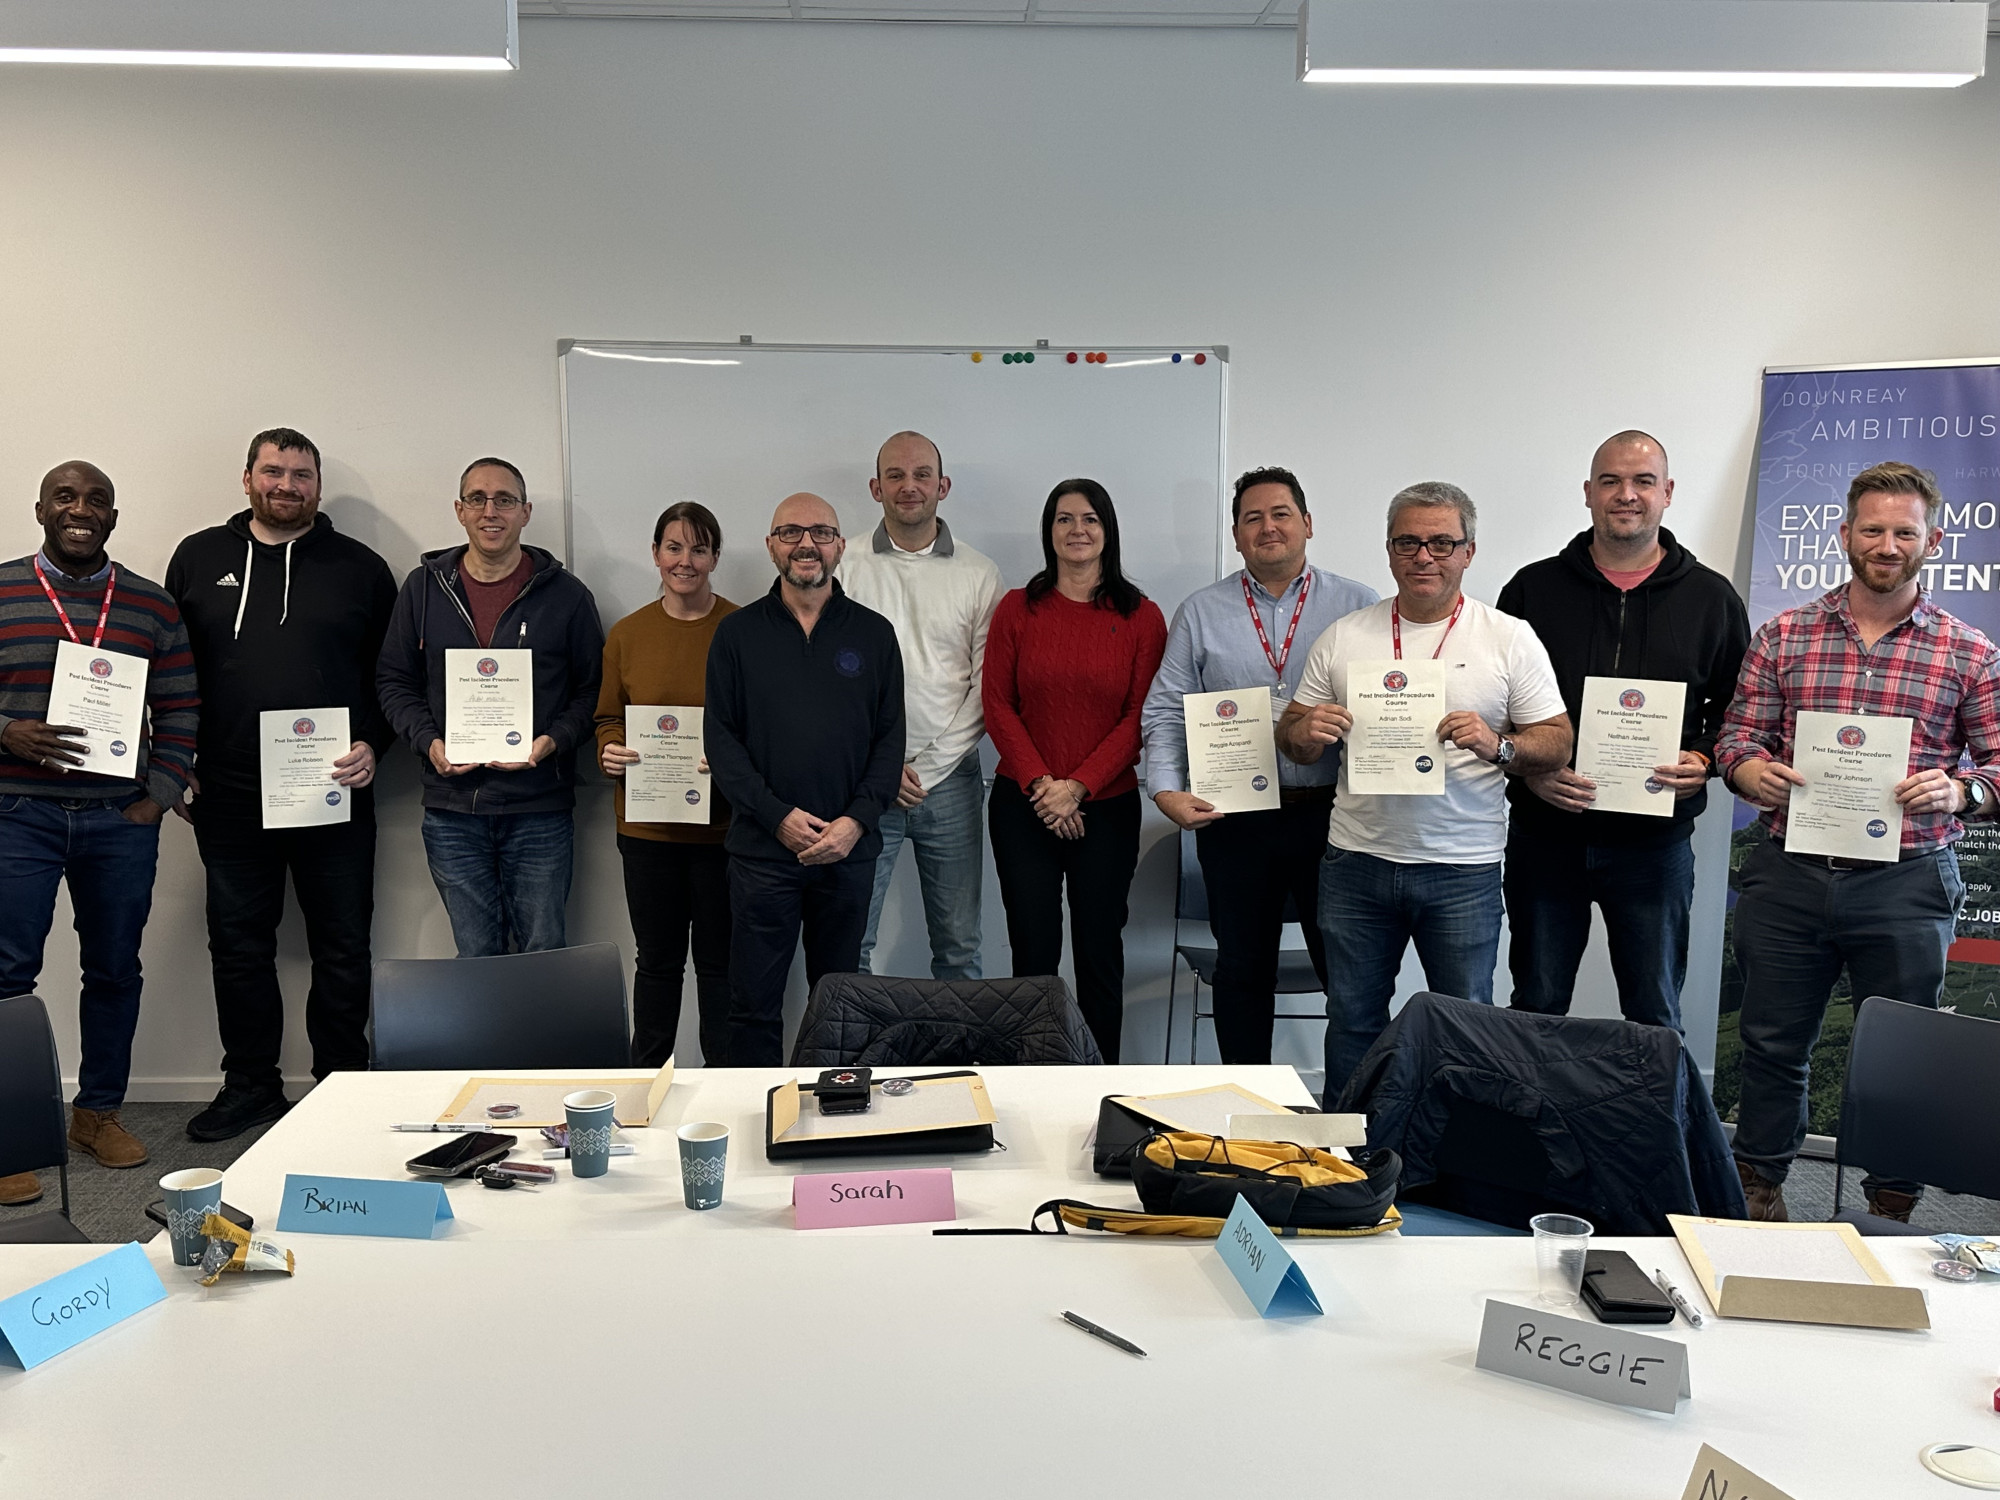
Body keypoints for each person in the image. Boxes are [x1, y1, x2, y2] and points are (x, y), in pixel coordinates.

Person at [1717, 461, 2000, 1223]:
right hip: (1791, 874)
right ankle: (1760, 1187)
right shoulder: (1783, 635)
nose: (1886, 543)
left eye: (1904, 531)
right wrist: (1749, 771)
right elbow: (1738, 737)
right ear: (1844, 535)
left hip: (1906, 880)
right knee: (1774, 1044)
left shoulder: (1968, 651)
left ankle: (1891, 1205)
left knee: (1902, 1060)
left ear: (1932, 541)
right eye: (1871, 528)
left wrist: (1963, 789)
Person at [1278, 481, 1570, 1102]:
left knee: (1466, 1029)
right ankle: (1349, 1157)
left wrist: (1500, 745)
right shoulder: (1344, 635)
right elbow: (1292, 737)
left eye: (1442, 542)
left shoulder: (1507, 637)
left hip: (1461, 869)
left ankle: (1457, 1159)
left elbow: (1557, 740)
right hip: (1357, 863)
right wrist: (1309, 731)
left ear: (1468, 551)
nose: (1424, 556)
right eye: (1408, 542)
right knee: (1353, 1023)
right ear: (1388, 550)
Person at [165, 428, 399, 1142]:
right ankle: (251, 1086)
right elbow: (168, 668)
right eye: (274, 471)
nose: (287, 485)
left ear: (318, 487)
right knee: (238, 947)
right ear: (247, 479)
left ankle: (341, 1083)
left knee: (343, 945)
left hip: (333, 789)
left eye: (301, 474)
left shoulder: (361, 568)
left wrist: (375, 746)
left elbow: (392, 679)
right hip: (229, 795)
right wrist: (174, 758)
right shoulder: (198, 557)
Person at [1495, 431, 1749, 1032]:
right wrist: (1530, 769)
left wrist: (1705, 759)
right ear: (1588, 493)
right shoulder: (1532, 590)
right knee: (1536, 1004)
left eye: (1642, 482)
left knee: (1655, 1012)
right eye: (1610, 481)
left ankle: (1655, 1129)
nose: (1625, 495)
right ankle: (1529, 1126)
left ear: (1667, 493)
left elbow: (1742, 711)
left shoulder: (1712, 599)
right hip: (1546, 835)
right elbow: (1495, 704)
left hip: (1653, 847)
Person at [0, 461, 197, 1200]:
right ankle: (9, 1132)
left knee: (114, 968)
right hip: (17, 815)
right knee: (7, 978)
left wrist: (162, 791)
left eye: (97, 499)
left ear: (113, 515)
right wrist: (6, 733)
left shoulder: (150, 603)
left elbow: (181, 703)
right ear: (41, 508)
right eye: (66, 497)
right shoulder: (3, 588)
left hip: (120, 818)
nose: (81, 509)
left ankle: (99, 1111)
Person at [1141, 466, 1378, 1064]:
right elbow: (1166, 709)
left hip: (1335, 819)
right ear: (1236, 533)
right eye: (1252, 518)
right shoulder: (1200, 611)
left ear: (1307, 524)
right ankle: (1248, 1117)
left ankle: (1354, 1113)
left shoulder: (1359, 605)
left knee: (1347, 974)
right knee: (1242, 970)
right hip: (1237, 819)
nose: (1267, 527)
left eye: (1280, 514)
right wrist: (1166, 790)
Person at [704, 493, 903, 1066]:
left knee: (840, 1006)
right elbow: (721, 740)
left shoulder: (874, 634)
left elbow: (890, 742)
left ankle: (831, 1127)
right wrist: (777, 817)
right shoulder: (737, 634)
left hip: (847, 853)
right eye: (790, 532)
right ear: (771, 546)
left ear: (840, 546)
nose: (805, 544)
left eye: (820, 532)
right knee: (753, 1006)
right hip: (763, 854)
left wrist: (855, 823)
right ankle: (751, 1130)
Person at [376, 457, 604, 956]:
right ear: (459, 511)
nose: (490, 510)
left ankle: (543, 1040)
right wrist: (429, 742)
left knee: (544, 953)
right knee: (476, 958)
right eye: (477, 499)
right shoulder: (423, 590)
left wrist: (552, 742)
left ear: (525, 511)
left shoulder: (566, 596)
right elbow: (394, 681)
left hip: (539, 809)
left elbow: (593, 693)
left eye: (504, 499)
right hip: (453, 810)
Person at [983, 478, 1167, 1063]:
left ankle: (1097, 1083)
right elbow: (997, 704)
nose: (1077, 530)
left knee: (1098, 952)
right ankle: (1031, 1080)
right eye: (1064, 519)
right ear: (1049, 532)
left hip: (1106, 808)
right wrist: (1045, 787)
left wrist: (1078, 787)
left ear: (1108, 531)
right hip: (1023, 805)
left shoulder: (1142, 616)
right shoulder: (1017, 608)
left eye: (1090, 519)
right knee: (1032, 953)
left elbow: (1142, 715)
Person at [838, 431, 1003, 981]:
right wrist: (881, 768)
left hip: (951, 781)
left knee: (958, 949)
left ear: (943, 485)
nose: (909, 486)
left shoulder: (980, 574)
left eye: (922, 475)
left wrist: (927, 768)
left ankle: (961, 1065)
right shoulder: (843, 563)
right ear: (875, 487)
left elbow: (986, 686)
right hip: (861, 779)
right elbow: (822, 682)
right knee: (851, 943)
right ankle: (850, 1066)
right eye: (895, 476)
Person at [595, 502, 738, 1068]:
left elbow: (758, 723)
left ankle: (724, 1083)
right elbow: (608, 716)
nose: (686, 561)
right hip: (647, 829)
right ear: (655, 554)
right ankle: (647, 1084)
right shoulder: (627, 635)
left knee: (721, 966)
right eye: (674, 548)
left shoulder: (742, 628)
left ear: (715, 558)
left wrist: (731, 760)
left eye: (699, 549)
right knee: (656, 963)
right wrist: (609, 747)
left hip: (724, 830)